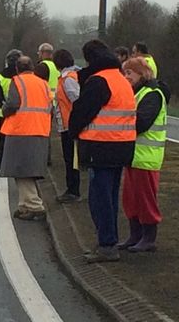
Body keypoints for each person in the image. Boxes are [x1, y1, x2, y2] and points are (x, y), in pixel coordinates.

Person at [68, 39, 136, 263]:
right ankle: (110, 240)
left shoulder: (99, 81)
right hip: (123, 146)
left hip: (101, 147)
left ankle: (107, 244)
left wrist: (73, 132)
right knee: (110, 197)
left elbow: (81, 112)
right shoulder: (121, 79)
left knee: (100, 199)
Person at [118, 57, 166, 252]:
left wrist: (121, 121)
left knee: (146, 199)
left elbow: (142, 122)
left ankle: (148, 237)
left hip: (146, 157)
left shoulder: (152, 94)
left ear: (142, 73)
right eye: (125, 73)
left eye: (129, 73)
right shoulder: (137, 93)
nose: (126, 77)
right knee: (131, 199)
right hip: (134, 156)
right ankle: (135, 234)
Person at [0, 56, 52, 221]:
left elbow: (13, 104)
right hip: (40, 129)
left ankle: (34, 205)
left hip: (21, 130)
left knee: (22, 170)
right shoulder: (42, 83)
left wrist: (4, 110)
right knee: (27, 169)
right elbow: (50, 104)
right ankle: (24, 205)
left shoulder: (18, 81)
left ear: (17, 69)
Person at [0, 49, 23, 191]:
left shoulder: (1, 76)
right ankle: (22, 180)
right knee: (22, 147)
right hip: (21, 117)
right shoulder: (22, 77)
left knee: (2, 147)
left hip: (5, 117)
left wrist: (5, 108)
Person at [53, 49, 81, 203]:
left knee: (71, 160)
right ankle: (71, 189)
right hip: (67, 123)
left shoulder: (68, 79)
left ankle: (73, 191)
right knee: (70, 159)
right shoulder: (69, 77)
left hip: (70, 125)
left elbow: (76, 100)